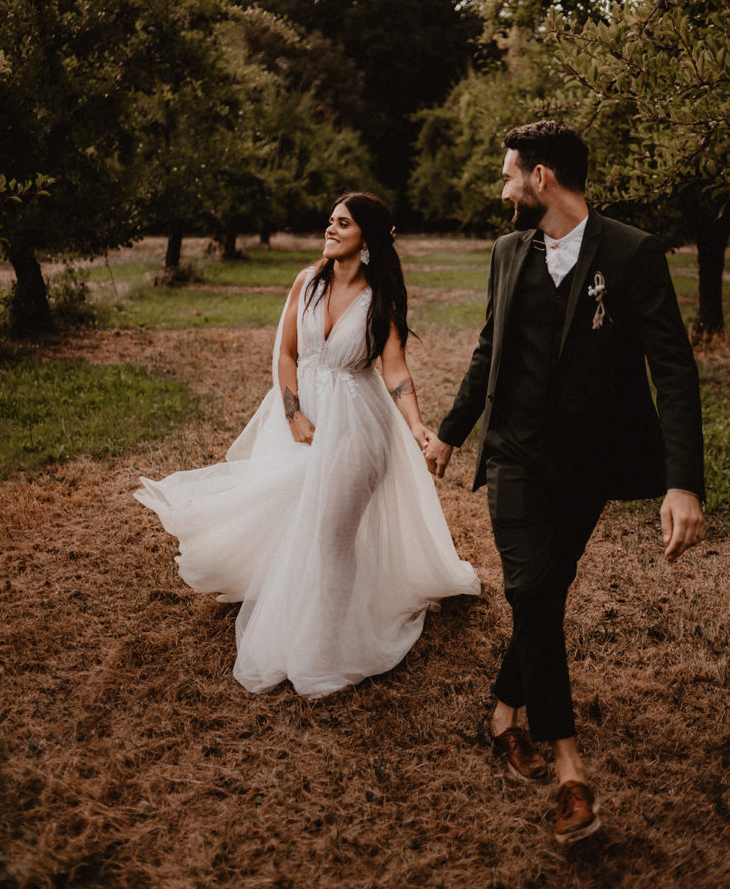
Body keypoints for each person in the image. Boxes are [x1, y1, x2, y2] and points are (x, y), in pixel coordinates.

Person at [424, 120, 705, 845]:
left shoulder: (633, 252)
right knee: (531, 589)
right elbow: (491, 347)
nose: (503, 187)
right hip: (516, 452)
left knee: (546, 588)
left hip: (590, 464)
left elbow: (671, 369)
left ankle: (503, 709)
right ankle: (570, 771)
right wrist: (451, 434)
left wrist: (685, 482)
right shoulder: (507, 252)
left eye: (510, 173)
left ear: (542, 178)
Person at [135, 192, 480, 698]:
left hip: (360, 423)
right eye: (331, 221)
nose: (331, 229)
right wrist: (293, 414)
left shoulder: (382, 294)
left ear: (367, 237)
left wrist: (416, 425)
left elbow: (395, 368)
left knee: (331, 533)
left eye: (343, 223)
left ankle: (327, 648)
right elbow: (287, 356)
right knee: (298, 519)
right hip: (302, 420)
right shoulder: (308, 281)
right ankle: (308, 606)